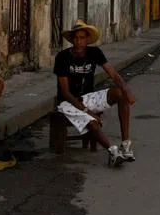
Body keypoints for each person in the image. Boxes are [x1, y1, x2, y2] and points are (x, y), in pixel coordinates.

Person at [53, 20, 137, 167]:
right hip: (68, 102)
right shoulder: (62, 57)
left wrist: (126, 89)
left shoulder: (95, 52)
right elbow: (65, 92)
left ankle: (126, 144)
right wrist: (87, 111)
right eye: (76, 38)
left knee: (119, 93)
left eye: (82, 38)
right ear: (72, 40)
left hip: (88, 97)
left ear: (87, 40)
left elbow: (113, 74)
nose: (79, 42)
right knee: (91, 121)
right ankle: (113, 152)